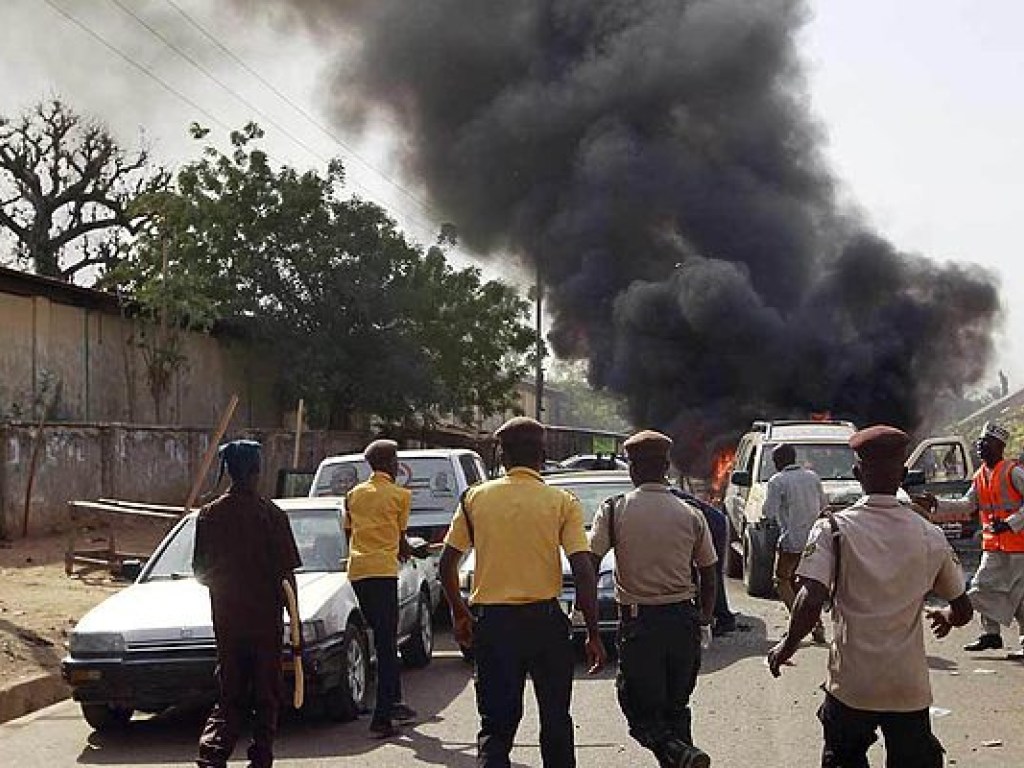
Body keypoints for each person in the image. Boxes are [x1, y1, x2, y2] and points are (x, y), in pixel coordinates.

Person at [768, 425, 973, 768]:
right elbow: (963, 608)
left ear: (857, 473)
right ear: (904, 475)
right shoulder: (930, 535)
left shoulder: (833, 529)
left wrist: (786, 646)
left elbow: (810, 596)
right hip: (908, 689)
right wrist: (948, 619)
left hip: (852, 685)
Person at [439, 416, 605, 767]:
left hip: (494, 628)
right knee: (556, 722)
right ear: (543, 455)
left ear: (502, 456)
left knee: (496, 729)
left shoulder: (474, 499)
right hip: (546, 626)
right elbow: (584, 570)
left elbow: (447, 564)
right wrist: (591, 631)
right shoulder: (562, 501)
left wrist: (459, 613)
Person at [590, 430, 717, 768]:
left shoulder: (614, 510)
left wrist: (583, 617)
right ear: (666, 467)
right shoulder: (690, 513)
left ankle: (682, 755)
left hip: (639, 623)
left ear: (632, 468)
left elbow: (588, 563)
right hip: (683, 622)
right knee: (676, 708)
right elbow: (709, 571)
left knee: (638, 710)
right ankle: (685, 756)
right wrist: (704, 618)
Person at [193, 440, 301, 768]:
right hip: (265, 624)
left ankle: (212, 756)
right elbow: (287, 580)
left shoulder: (209, 516)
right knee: (267, 695)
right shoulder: (272, 515)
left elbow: (200, 571)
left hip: (227, 623)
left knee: (230, 694)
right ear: (256, 471)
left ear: (228, 471)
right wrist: (296, 632)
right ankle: (261, 757)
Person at [917, 421, 1024, 656]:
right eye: (979, 442)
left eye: (986, 442)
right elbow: (967, 504)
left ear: (999, 446)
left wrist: (1010, 524)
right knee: (996, 588)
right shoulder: (980, 476)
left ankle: (963, 619)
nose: (980, 446)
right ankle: (991, 635)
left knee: (1002, 591)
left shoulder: (1013, 472)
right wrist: (937, 503)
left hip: (1018, 546)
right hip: (994, 546)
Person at [344, 438, 417, 737]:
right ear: (390, 464)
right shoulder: (400, 496)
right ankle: (382, 717)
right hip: (384, 572)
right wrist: (410, 550)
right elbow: (401, 542)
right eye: (396, 459)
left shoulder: (353, 495)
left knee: (377, 635)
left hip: (358, 572)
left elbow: (349, 531)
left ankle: (395, 701)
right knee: (387, 645)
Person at [762, 443, 829, 644]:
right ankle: (816, 626)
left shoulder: (778, 481)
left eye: (774, 460)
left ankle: (801, 623)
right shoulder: (812, 476)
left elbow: (768, 512)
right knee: (808, 585)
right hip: (815, 540)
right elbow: (824, 505)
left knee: (781, 581)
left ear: (779, 461)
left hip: (792, 541)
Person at [671, 485, 739, 635]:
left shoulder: (669, 501)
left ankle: (723, 618)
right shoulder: (664, 497)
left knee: (711, 573)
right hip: (709, 521)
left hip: (712, 525)